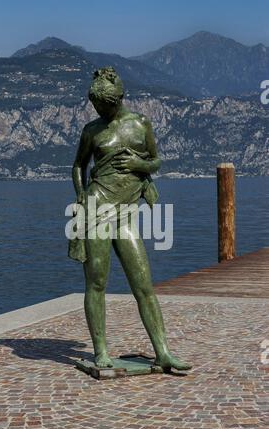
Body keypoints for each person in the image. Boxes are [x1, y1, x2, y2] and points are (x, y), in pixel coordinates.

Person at [70, 66, 191, 372]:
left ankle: (163, 351)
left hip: (124, 212)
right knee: (96, 282)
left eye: (105, 105)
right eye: (97, 106)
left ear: (119, 99)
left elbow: (156, 160)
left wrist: (140, 163)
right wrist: (81, 194)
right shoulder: (91, 131)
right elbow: (77, 167)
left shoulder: (141, 124)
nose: (100, 110)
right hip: (97, 207)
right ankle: (100, 351)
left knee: (143, 284)